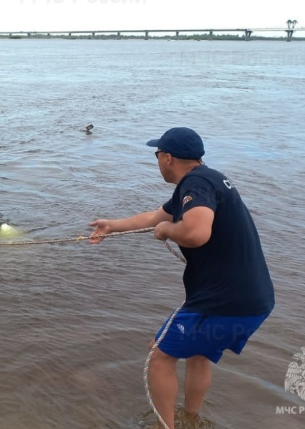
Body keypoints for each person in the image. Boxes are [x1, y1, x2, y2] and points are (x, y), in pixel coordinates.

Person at [88, 127, 274, 428]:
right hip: (254, 302)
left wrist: (167, 232)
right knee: (198, 355)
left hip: (223, 303)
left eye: (157, 155)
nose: (157, 160)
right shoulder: (209, 179)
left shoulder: (196, 184)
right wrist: (112, 226)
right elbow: (154, 216)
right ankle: (191, 418)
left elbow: (196, 232)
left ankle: (165, 426)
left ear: (168, 157)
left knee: (160, 355)